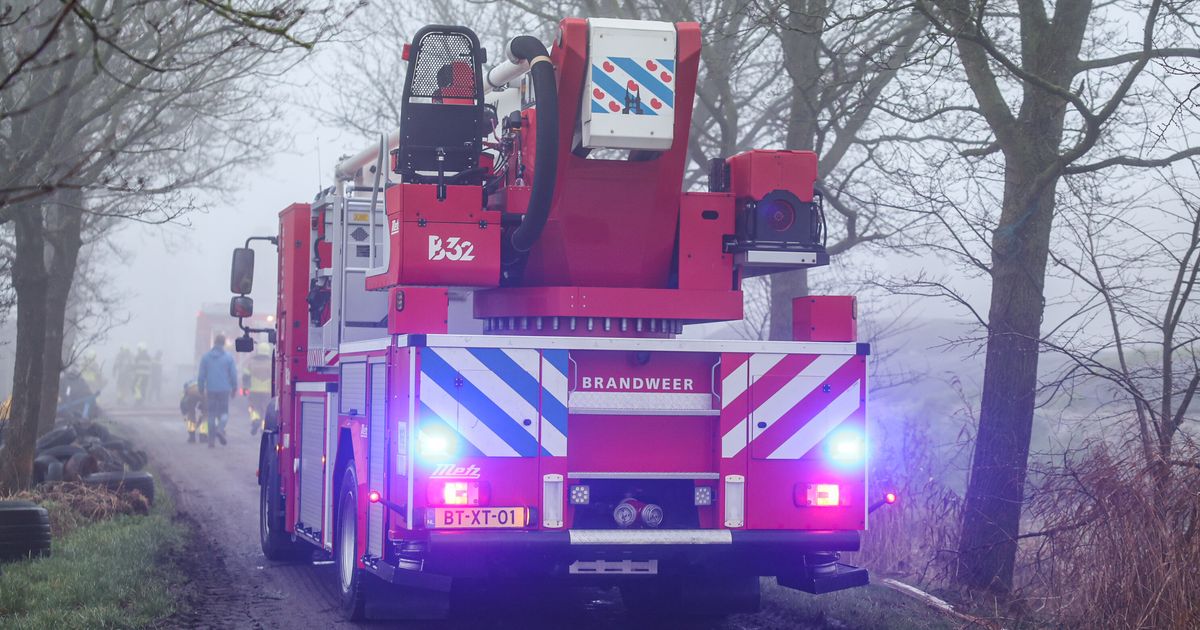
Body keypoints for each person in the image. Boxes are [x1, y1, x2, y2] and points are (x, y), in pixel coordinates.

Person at [197, 334, 237, 448]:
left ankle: (211, 441)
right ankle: (220, 429)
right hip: (224, 390)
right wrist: (234, 387)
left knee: (211, 415)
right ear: (224, 343)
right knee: (224, 413)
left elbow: (201, 375)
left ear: (214, 342)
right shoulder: (229, 358)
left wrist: (201, 387)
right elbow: (233, 375)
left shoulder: (205, 357)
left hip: (211, 389)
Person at [243, 342, 272, 436]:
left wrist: (244, 388)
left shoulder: (251, 363)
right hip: (268, 391)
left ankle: (255, 420)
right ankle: (263, 428)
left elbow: (245, 377)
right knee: (265, 410)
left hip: (254, 390)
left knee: (253, 407)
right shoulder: (271, 363)